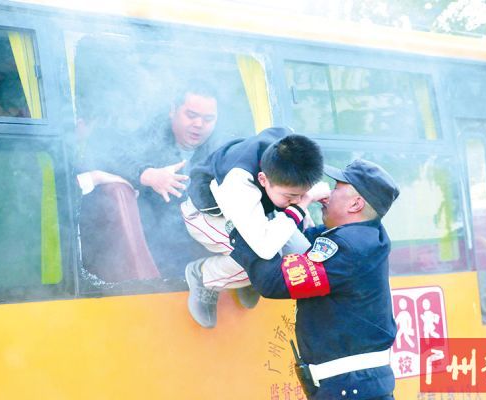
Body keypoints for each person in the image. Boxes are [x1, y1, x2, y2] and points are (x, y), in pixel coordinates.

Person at [228, 159, 400, 400]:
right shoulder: (363, 235)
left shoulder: (351, 246)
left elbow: (274, 281)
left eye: (336, 188)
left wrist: (240, 229)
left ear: (355, 204)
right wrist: (293, 203)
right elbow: (298, 241)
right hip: (353, 386)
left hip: (351, 389)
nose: (326, 195)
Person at [181, 127, 328, 328]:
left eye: (303, 194)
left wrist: (301, 205)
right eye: (291, 196)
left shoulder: (287, 150)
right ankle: (204, 275)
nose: (297, 200)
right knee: (260, 261)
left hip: (254, 209)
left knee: (302, 254)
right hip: (207, 216)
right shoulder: (238, 182)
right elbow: (264, 248)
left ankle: (247, 280)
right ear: (263, 179)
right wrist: (303, 204)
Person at [77, 80, 219, 278]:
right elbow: (112, 153)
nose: (199, 124)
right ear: (173, 110)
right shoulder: (151, 135)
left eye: (208, 119)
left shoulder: (222, 150)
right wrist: (147, 174)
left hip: (204, 251)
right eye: (191, 115)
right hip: (155, 251)